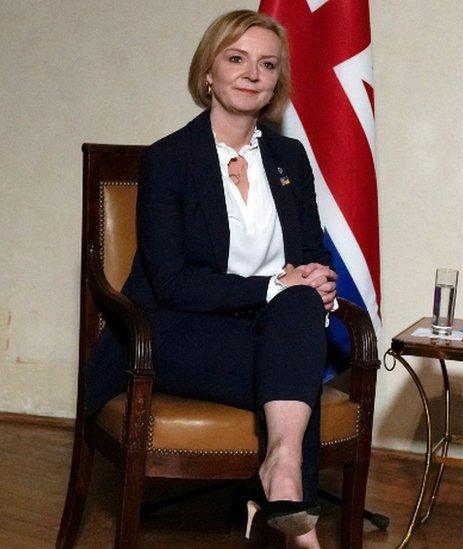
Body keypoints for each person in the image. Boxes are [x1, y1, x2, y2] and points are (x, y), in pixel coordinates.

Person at [84, 10, 336, 547]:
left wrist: (318, 278)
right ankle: (291, 514)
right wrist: (276, 287)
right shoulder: (169, 159)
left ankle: (281, 475)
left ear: (275, 83)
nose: (252, 73)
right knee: (295, 370)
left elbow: (309, 252)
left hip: (269, 325)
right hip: (171, 328)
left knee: (299, 313)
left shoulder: (290, 157)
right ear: (208, 73)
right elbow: (172, 282)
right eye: (237, 59)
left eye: (267, 64)